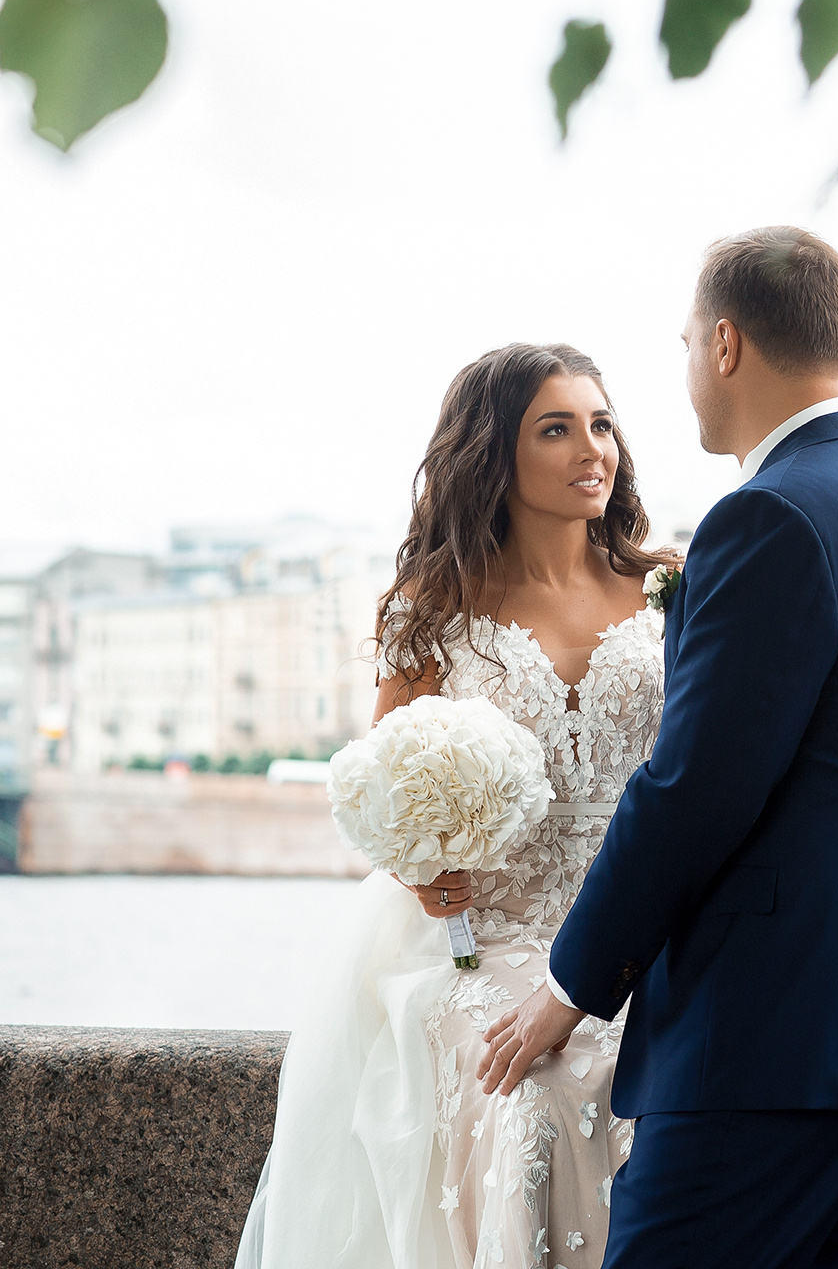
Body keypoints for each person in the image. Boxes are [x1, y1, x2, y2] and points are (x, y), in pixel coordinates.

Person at [474, 226, 838, 1268]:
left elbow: (695, 790)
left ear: (723, 345)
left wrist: (571, 986)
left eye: (681, 348)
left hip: (768, 1051)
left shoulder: (771, 517)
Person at [237, 342, 673, 1269]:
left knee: (652, 1082)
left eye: (601, 424)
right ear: (493, 455)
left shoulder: (668, 588)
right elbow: (384, 783)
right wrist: (424, 869)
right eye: (556, 429)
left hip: (644, 931)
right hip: (488, 938)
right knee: (543, 1092)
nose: (593, 448)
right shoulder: (434, 609)